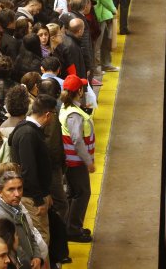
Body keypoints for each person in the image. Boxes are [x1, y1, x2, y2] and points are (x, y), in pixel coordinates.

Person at [7, 96, 55, 248]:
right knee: (41, 239)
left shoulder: (26, 128)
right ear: (48, 114)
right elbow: (28, 170)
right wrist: (39, 200)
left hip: (36, 194)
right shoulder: (28, 134)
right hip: (32, 198)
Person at [58, 76, 96, 243]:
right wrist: (88, 161)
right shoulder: (74, 114)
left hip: (71, 161)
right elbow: (77, 140)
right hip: (76, 162)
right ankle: (73, 230)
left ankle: (69, 227)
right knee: (82, 193)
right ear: (79, 91)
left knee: (74, 193)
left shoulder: (66, 108)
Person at [0, 172, 46, 269]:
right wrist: (30, 265)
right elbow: (11, 251)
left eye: (20, 188)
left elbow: (30, 235)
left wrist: (37, 256)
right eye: (11, 189)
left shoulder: (17, 208)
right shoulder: (0, 216)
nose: (17, 194)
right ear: (0, 192)